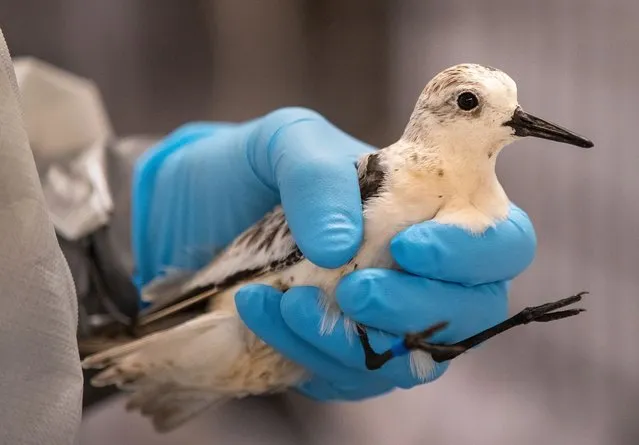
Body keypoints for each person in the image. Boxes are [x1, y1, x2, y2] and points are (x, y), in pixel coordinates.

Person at [0, 33, 536, 444]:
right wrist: (114, 242)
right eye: (472, 104)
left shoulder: (470, 194)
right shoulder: (381, 176)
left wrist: (107, 237)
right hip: (219, 306)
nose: (510, 119)